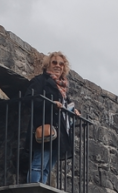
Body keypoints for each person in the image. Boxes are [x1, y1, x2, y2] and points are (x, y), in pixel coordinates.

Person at [27, 52, 81, 184]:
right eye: (54, 62)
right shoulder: (40, 81)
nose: (58, 66)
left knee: (47, 168)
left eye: (61, 64)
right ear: (48, 65)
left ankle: (40, 189)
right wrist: (51, 104)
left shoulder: (62, 87)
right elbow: (30, 99)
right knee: (38, 164)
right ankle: (32, 189)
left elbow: (66, 105)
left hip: (60, 132)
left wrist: (74, 111)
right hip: (45, 127)